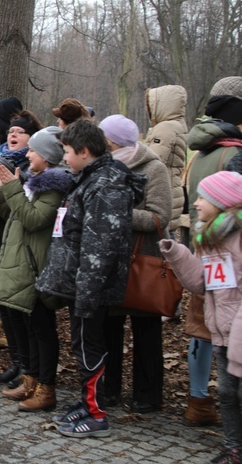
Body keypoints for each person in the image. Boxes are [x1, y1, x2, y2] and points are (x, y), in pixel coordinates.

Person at [36, 119, 144, 438]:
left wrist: (86, 290)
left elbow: (101, 244)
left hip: (90, 284)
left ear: (85, 151)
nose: (65, 159)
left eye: (68, 152)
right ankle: (87, 402)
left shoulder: (106, 184)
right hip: (79, 281)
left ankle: (95, 413)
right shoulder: (89, 177)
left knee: (89, 346)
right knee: (83, 344)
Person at [0, 129, 72, 412]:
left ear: (46, 157)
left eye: (33, 150)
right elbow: (13, 214)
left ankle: (46, 388)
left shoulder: (54, 187)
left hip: (37, 267)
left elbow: (34, 219)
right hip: (23, 264)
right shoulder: (33, 182)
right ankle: (30, 379)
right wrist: (0, 190)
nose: (28, 154)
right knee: (30, 328)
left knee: (43, 330)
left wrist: (11, 188)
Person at [160, 171, 242, 464]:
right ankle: (234, 449)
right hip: (222, 331)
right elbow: (204, 285)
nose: (195, 203)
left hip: (239, 333)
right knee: (228, 394)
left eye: (202, 197)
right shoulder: (210, 237)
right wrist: (178, 253)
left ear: (221, 201)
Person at [99, 115, 172, 413]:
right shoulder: (103, 165)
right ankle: (109, 389)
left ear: (112, 139)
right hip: (109, 260)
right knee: (108, 327)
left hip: (143, 260)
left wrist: (117, 213)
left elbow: (160, 216)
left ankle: (148, 394)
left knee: (146, 328)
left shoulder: (153, 168)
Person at [181, 76, 242, 426]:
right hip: (227, 253)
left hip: (202, 246)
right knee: (219, 331)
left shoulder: (200, 150)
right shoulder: (235, 153)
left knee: (202, 327)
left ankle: (197, 397)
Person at [145, 85, 188, 234]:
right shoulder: (176, 126)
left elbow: (153, 158)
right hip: (171, 187)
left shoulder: (166, 128)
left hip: (164, 188)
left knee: (163, 241)